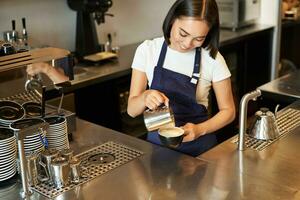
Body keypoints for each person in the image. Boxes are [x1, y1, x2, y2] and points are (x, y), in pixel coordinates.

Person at [127, 0, 235, 157]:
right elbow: (131, 110)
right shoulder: (148, 50)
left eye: (199, 38)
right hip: (157, 149)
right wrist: (144, 97)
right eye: (183, 34)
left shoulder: (213, 59)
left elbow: (229, 111)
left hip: (201, 150)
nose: (187, 44)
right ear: (172, 20)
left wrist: (199, 130)